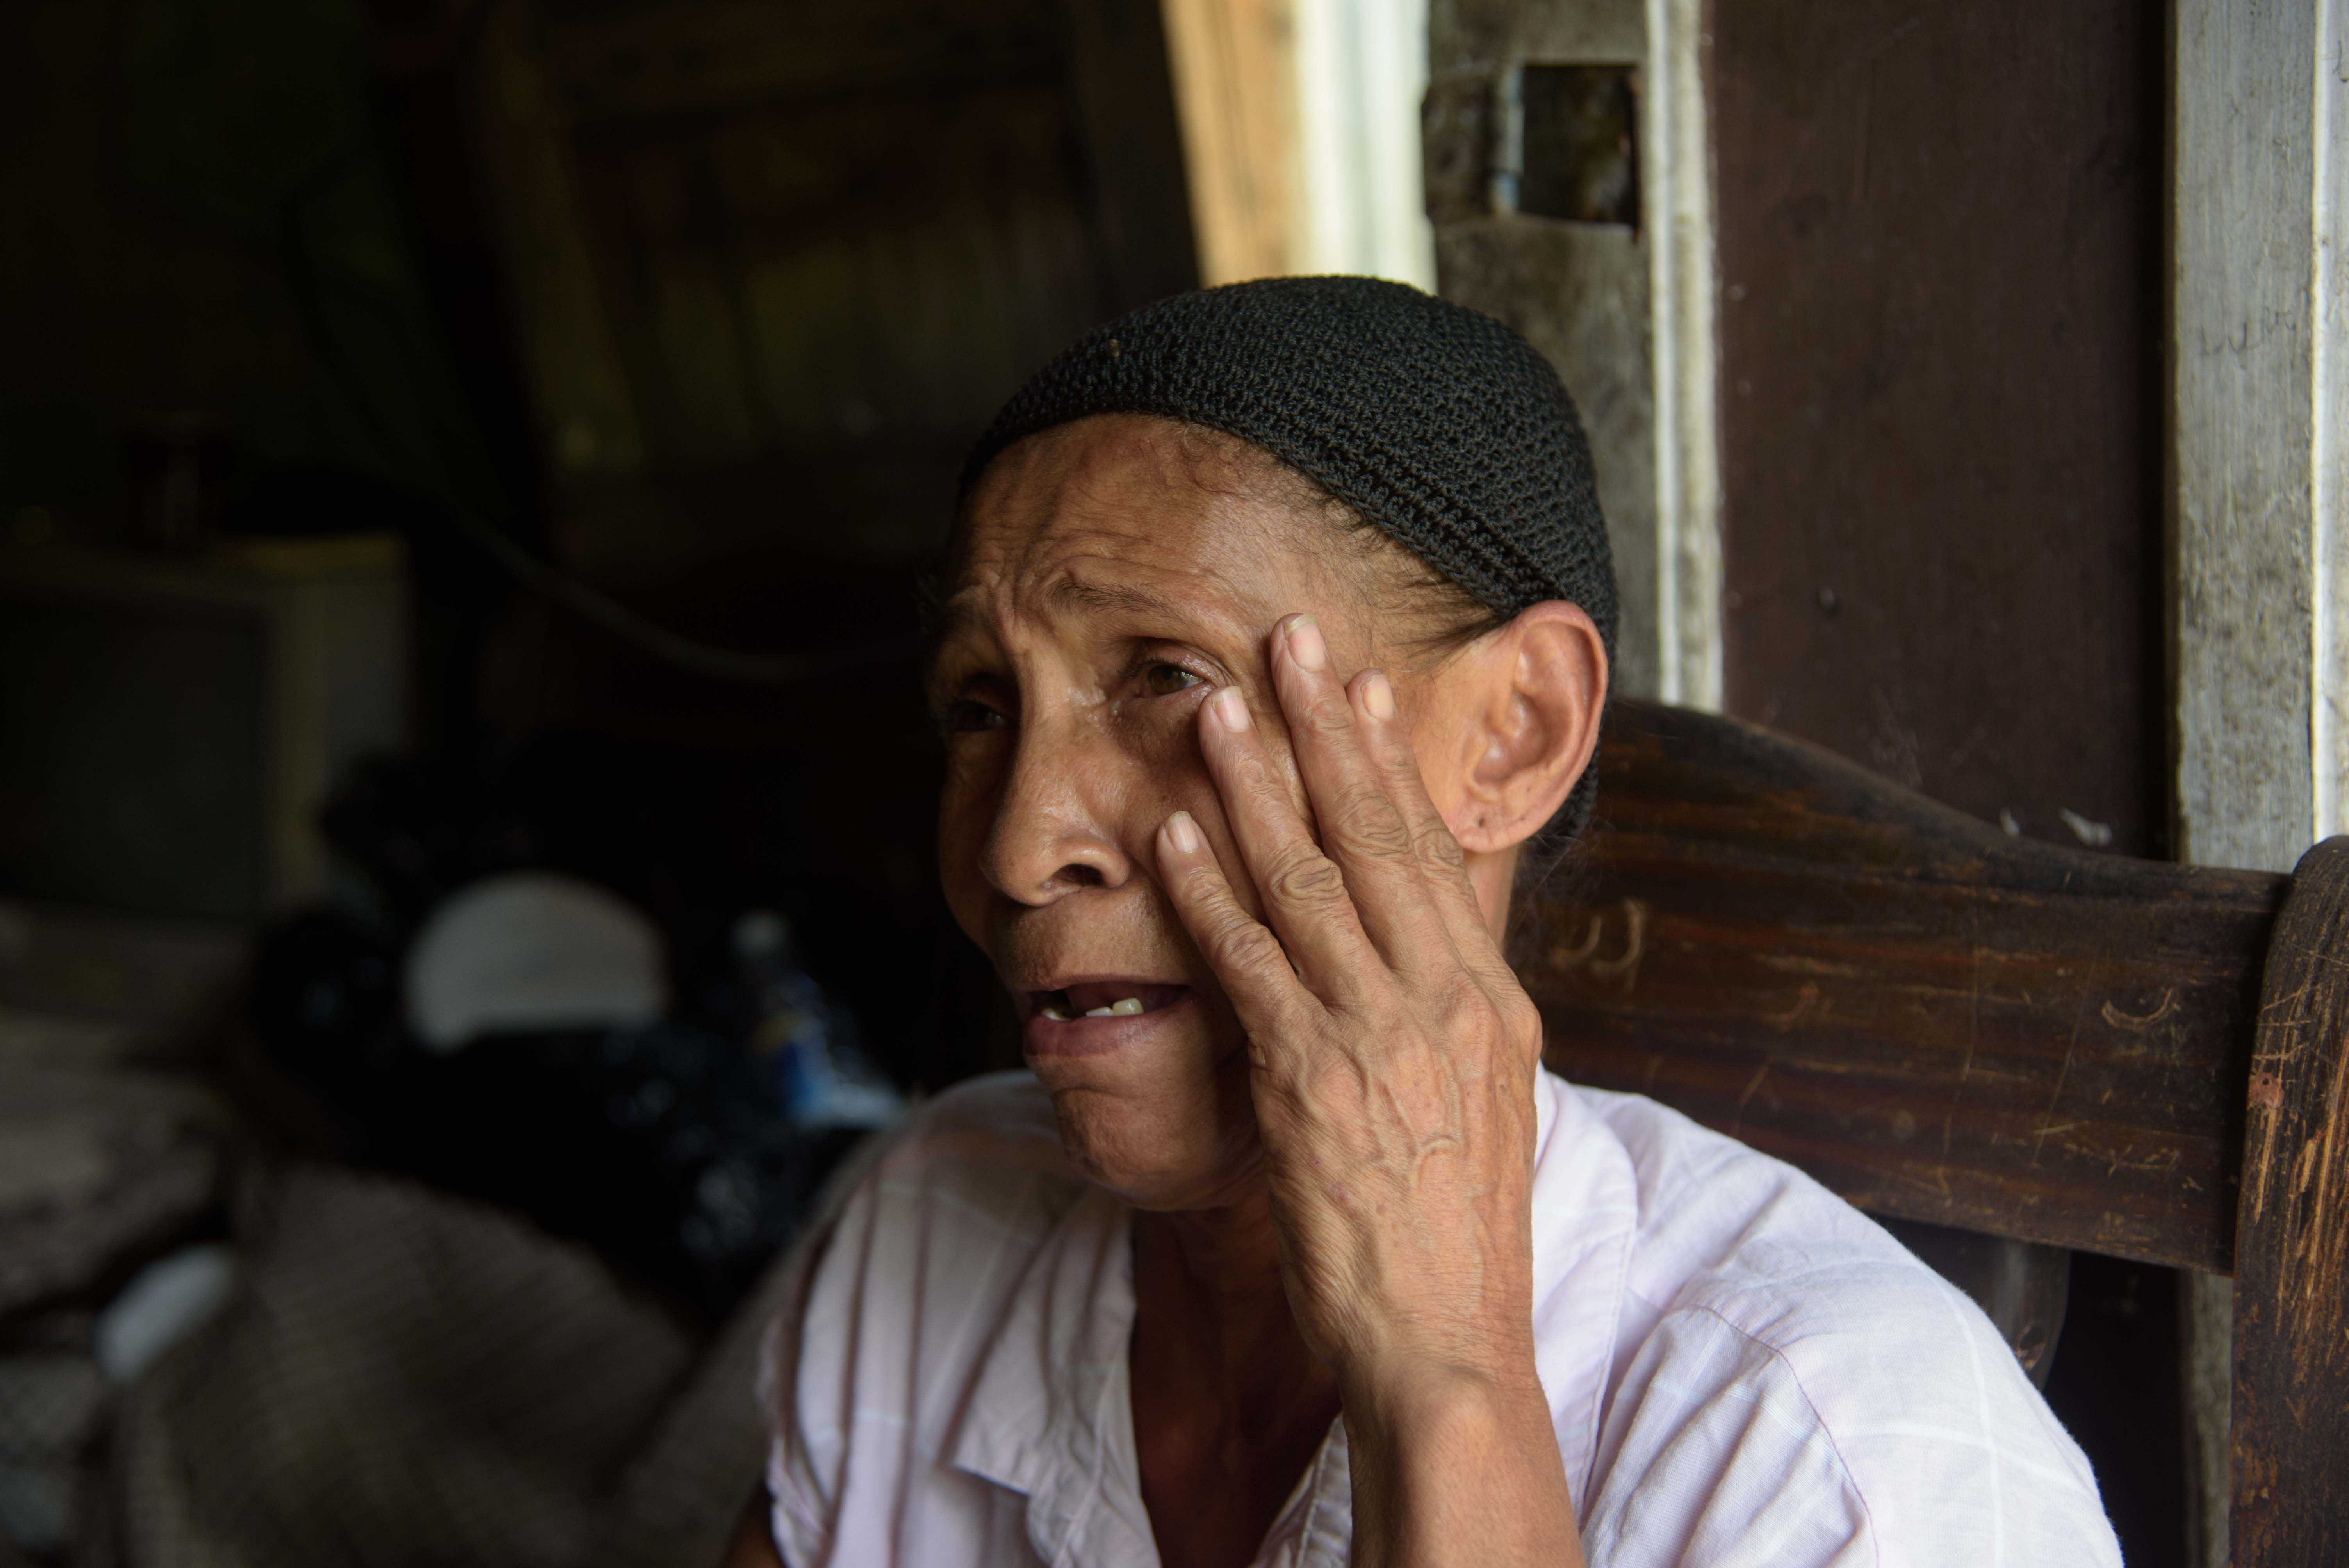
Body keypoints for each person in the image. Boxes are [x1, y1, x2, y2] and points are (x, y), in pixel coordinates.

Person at [741, 278, 2121, 1567]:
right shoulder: (922, 1224)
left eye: (1167, 676)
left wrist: (1447, 1380)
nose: (1019, 843)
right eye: (982, 707)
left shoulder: (1840, 1465)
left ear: (1512, 735)